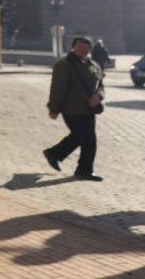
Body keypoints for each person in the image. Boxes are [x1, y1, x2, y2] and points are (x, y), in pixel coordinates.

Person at [42, 36, 105, 181]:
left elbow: (101, 85)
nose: (83, 49)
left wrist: (99, 96)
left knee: (90, 140)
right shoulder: (64, 65)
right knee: (80, 135)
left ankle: (84, 170)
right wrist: (54, 109)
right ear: (73, 47)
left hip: (89, 109)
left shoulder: (94, 65)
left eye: (86, 47)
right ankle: (54, 153)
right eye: (80, 46)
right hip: (71, 108)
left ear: (90, 49)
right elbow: (57, 89)